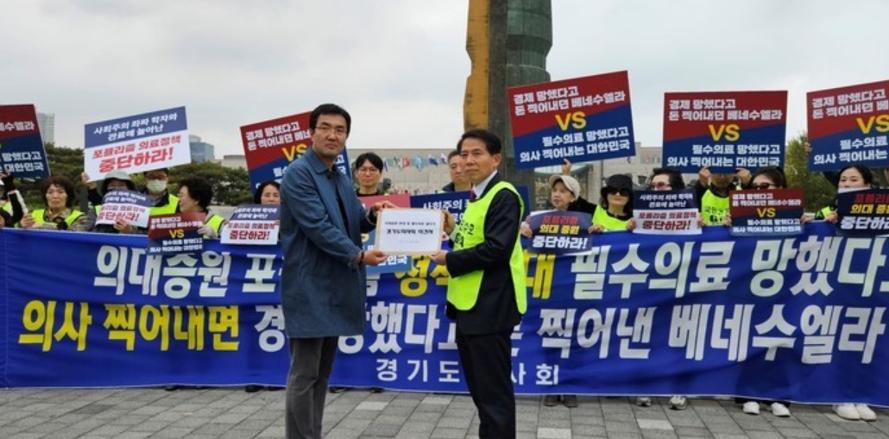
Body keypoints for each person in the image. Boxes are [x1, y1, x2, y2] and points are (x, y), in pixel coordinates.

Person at [279, 103, 388, 439]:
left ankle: (312, 433)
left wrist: (374, 215)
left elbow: (353, 219)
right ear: (311, 133)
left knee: (322, 372)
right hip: (309, 284)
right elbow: (318, 226)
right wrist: (359, 255)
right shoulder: (299, 173)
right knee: (305, 372)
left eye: (340, 130)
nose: (332, 135)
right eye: (325, 128)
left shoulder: (338, 176)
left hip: (335, 283)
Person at [431, 129, 526, 438]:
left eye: (477, 153)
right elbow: (474, 240)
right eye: (464, 154)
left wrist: (449, 260)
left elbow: (497, 249)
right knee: (482, 393)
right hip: (470, 305)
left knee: (493, 395)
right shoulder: (477, 195)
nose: (468, 160)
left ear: (495, 158)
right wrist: (453, 229)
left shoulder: (503, 195)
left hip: (492, 306)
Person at [724, 167, 793, 418]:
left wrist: (807, 223)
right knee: (751, 339)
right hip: (750, 286)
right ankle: (748, 394)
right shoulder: (740, 215)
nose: (759, 192)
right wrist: (727, 226)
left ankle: (778, 396)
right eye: (754, 187)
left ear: (781, 190)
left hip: (784, 286)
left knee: (780, 339)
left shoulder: (793, 214)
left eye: (765, 187)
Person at [815, 164, 878, 422]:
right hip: (838, 285)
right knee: (840, 338)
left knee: (866, 339)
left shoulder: (883, 212)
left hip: (871, 285)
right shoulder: (830, 210)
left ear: (867, 185)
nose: (847, 184)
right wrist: (822, 222)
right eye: (843, 180)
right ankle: (839, 395)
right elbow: (806, 224)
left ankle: (861, 393)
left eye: (854, 179)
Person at [521, 174, 581, 409]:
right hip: (545, 287)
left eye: (563, 191)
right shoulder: (536, 218)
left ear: (573, 197)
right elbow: (522, 240)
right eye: (555, 190)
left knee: (572, 339)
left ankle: (569, 386)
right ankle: (551, 386)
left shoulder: (582, 221)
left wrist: (597, 231)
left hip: (572, 287)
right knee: (549, 338)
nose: (557, 194)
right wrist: (523, 229)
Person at [20, 175, 90, 231]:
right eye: (50, 192)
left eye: (60, 192)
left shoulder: (81, 217)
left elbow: (72, 235)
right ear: (45, 196)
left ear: (68, 196)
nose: (55, 196)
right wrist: (22, 226)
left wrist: (42, 226)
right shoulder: (33, 215)